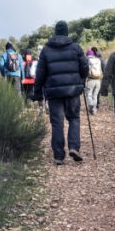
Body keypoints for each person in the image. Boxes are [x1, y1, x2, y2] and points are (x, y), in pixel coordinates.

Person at [32, 21, 89, 165]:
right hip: (72, 91)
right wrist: (81, 80)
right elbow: (85, 69)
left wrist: (37, 92)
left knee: (57, 123)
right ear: (67, 32)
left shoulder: (46, 50)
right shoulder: (76, 48)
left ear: (56, 32)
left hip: (54, 92)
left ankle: (58, 155)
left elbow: (40, 74)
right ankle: (74, 147)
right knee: (74, 119)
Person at [85, 49, 103, 114]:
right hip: (98, 80)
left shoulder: (87, 60)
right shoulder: (98, 60)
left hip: (91, 80)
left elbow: (85, 70)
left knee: (89, 94)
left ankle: (91, 104)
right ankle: (94, 110)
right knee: (95, 95)